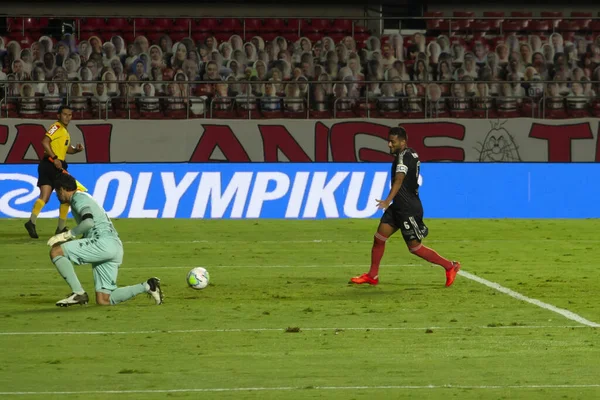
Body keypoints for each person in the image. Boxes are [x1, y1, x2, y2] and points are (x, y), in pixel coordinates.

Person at [350, 127, 461, 287]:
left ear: (403, 142)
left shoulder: (403, 157)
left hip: (408, 208)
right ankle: (373, 275)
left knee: (414, 248)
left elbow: (399, 179)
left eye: (392, 142)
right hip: (399, 207)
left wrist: (387, 200)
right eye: (388, 141)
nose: (389, 144)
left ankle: (451, 266)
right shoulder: (411, 153)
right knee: (379, 238)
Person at [46, 174, 163, 307]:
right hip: (115, 246)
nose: (56, 195)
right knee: (104, 300)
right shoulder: (83, 198)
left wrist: (66, 235)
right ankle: (148, 286)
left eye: (57, 192)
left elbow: (89, 222)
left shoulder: (78, 198)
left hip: (102, 243)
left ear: (62, 189)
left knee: (56, 252)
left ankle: (78, 293)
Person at [25, 105, 85, 239]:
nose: (67, 117)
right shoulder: (56, 127)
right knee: (66, 197)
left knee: (44, 197)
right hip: (54, 164)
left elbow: (66, 148)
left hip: (47, 164)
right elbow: (44, 141)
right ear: (58, 115)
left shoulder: (64, 131)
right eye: (65, 114)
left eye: (70, 115)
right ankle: (61, 228)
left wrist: (76, 150)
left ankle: (31, 222)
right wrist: (55, 158)